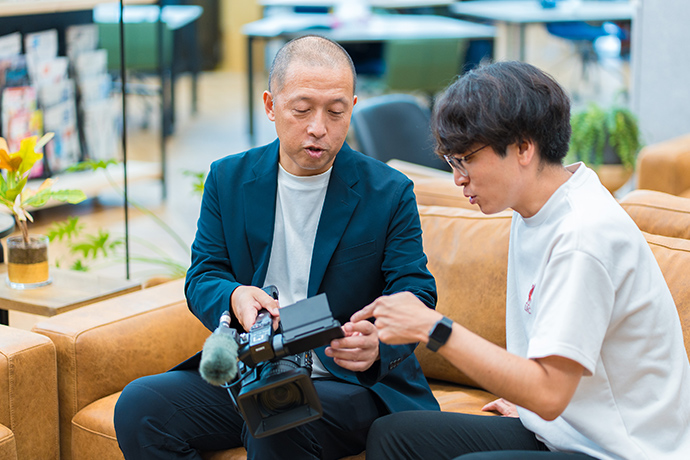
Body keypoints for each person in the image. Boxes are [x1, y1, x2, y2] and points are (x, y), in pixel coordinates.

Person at [113, 35, 439, 460]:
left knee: (276, 415)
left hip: (348, 382)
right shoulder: (229, 179)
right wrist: (235, 295)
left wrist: (378, 340)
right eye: (302, 110)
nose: (319, 127)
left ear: (353, 108)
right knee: (141, 406)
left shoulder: (388, 191)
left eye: (336, 112)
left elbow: (415, 288)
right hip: (255, 367)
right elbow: (204, 274)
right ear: (270, 105)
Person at [354, 61, 690, 459]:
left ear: (524, 148)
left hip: (621, 452)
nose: (458, 177)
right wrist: (528, 404)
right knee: (394, 435)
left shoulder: (583, 235)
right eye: (452, 162)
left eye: (465, 159)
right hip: (566, 433)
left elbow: (548, 393)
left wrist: (433, 327)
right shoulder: (534, 209)